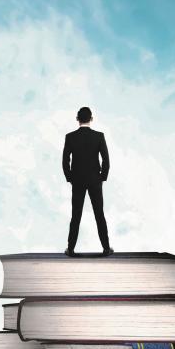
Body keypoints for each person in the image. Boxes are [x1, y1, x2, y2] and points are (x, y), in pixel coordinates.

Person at [62, 107, 113, 256]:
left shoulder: (70, 137)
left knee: (76, 215)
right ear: (91, 118)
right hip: (95, 180)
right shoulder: (99, 136)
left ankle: (70, 249)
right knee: (99, 214)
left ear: (77, 119)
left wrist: (70, 178)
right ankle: (106, 248)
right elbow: (106, 161)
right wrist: (102, 178)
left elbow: (65, 161)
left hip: (77, 181)